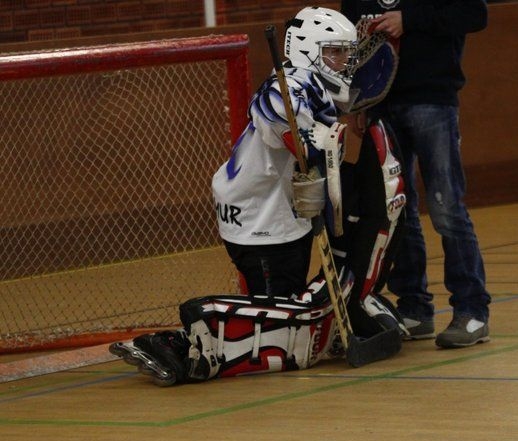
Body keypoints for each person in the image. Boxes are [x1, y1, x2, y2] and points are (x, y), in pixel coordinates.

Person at [109, 6, 405, 386]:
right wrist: (307, 140)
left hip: (282, 216)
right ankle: (176, 346)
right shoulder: (287, 87)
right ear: (307, 50)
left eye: (345, 53)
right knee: (277, 324)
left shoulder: (316, 88)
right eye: (334, 52)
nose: (344, 62)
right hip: (259, 221)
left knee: (285, 307)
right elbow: (274, 109)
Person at [340, 0, 492, 348]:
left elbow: (474, 13)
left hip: (432, 99)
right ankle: (414, 307)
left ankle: (472, 310)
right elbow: (352, 39)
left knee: (446, 209)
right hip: (380, 103)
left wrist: (409, 19)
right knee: (396, 210)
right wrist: (357, 100)